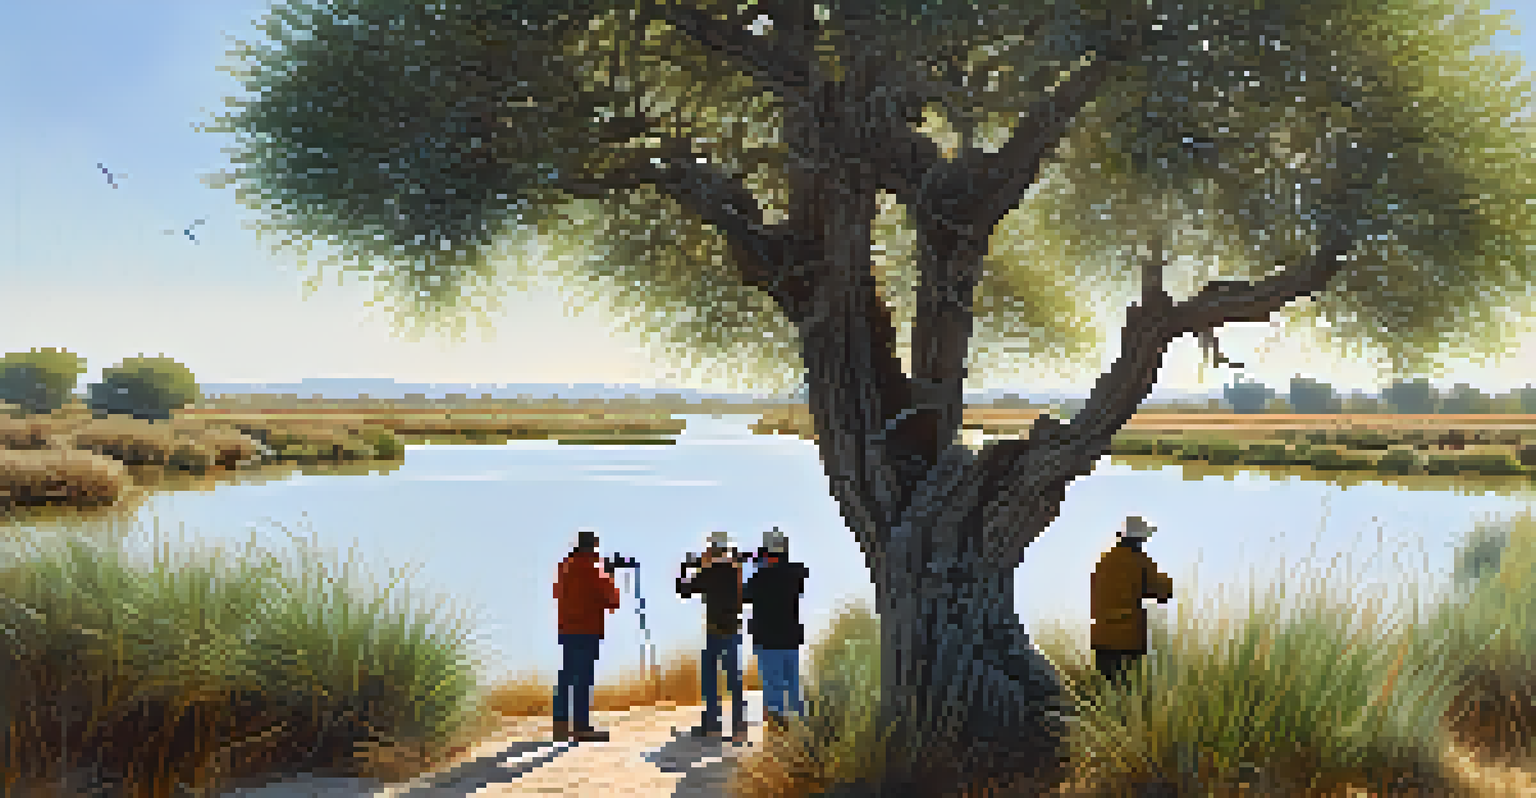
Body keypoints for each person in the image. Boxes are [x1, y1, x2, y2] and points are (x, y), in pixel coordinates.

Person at [552, 528, 622, 743]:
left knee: (566, 675)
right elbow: (612, 599)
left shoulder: (564, 567)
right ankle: (581, 727)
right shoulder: (592, 569)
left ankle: (561, 725)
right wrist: (609, 573)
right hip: (587, 628)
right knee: (583, 677)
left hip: (566, 628)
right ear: (593, 546)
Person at [677, 529, 747, 741]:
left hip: (715, 631)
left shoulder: (710, 571)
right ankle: (738, 726)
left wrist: (686, 568)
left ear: (711, 548)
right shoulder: (735, 569)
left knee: (710, 678)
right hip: (733, 629)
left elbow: (684, 590)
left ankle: (712, 724)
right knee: (734, 679)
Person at [1090, 515, 1174, 688]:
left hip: (1101, 637)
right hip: (1127, 639)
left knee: (1107, 692)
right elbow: (1164, 592)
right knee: (1128, 693)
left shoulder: (1104, 560)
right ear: (1139, 538)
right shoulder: (1139, 561)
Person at [742, 527, 810, 732]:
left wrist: (749, 563)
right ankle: (801, 731)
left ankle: (778, 733)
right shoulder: (795, 574)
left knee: (773, 688)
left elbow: (744, 595)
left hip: (767, 641)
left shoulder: (760, 578)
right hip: (790, 639)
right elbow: (796, 573)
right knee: (792, 685)